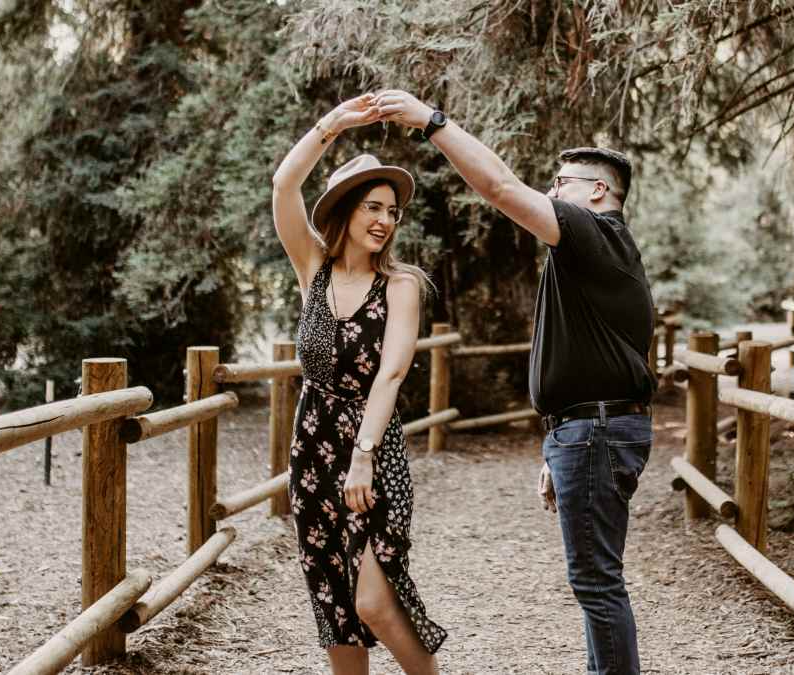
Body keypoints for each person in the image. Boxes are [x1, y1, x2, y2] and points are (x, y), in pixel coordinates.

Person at [374, 90, 655, 675]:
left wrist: (433, 122)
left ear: (597, 191)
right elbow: (587, 360)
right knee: (595, 581)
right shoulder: (591, 254)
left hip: (596, 431)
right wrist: (557, 440)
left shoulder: (595, 234)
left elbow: (500, 188)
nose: (552, 193)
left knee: (597, 583)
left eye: (562, 182)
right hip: (587, 429)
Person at [271, 93, 446, 675]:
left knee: (373, 601)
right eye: (374, 206)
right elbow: (282, 185)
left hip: (374, 451)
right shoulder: (312, 270)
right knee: (334, 604)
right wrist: (333, 125)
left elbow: (391, 372)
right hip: (311, 451)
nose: (385, 221)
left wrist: (364, 455)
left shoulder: (400, 286)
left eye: (393, 211)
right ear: (345, 210)